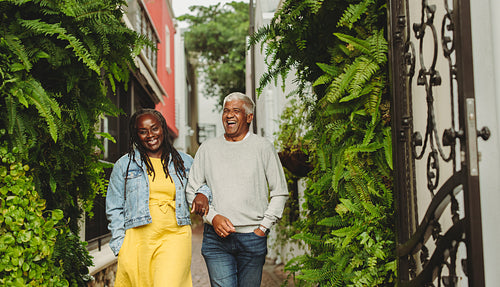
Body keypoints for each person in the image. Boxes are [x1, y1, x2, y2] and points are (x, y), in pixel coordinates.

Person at [187, 92, 289, 287]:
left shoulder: (263, 148)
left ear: (249, 117)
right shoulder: (208, 149)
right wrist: (213, 217)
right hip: (215, 239)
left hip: (253, 237)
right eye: (226, 111)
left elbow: (279, 192)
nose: (229, 115)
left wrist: (263, 228)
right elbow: (191, 189)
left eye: (236, 111)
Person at [106, 109, 210, 287]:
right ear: (136, 134)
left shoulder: (184, 162)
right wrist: (120, 245)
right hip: (138, 240)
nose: (150, 135)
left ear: (163, 128)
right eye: (143, 131)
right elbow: (114, 207)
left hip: (175, 235)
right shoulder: (124, 165)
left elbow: (203, 185)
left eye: (154, 128)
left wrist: (203, 194)